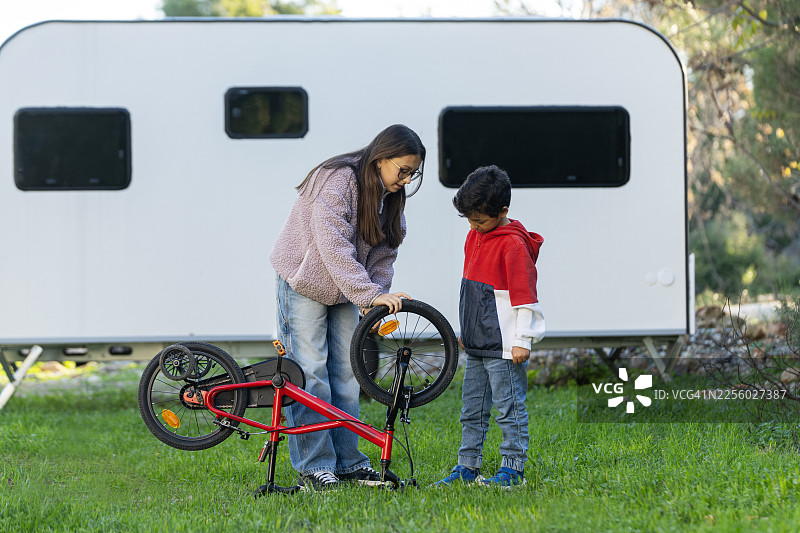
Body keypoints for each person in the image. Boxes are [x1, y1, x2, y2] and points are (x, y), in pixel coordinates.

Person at [269, 124, 425, 492]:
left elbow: (384, 255)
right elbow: (332, 245)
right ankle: (315, 466)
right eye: (401, 170)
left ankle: (349, 462)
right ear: (380, 159)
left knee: (347, 376)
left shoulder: (390, 199)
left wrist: (375, 299)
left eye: (412, 173)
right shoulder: (338, 180)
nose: (405, 179)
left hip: (344, 290)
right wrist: (367, 294)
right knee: (311, 373)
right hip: (304, 282)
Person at [433, 165, 545, 489]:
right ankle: (467, 467)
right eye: (469, 219)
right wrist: (467, 330)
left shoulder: (513, 246)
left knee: (509, 410)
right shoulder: (474, 236)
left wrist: (523, 339)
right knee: (472, 410)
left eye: (480, 219)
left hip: (505, 348)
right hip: (478, 344)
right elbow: (472, 289)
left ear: (503, 211)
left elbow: (526, 299)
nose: (473, 225)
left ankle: (513, 470)